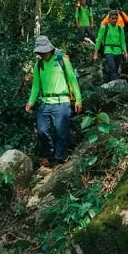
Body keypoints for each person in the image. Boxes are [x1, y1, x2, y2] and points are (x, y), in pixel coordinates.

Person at [25, 35, 82, 165]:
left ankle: (59, 158)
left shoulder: (62, 60)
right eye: (40, 51)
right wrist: (31, 101)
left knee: (61, 131)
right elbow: (36, 85)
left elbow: (72, 79)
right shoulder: (38, 65)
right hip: (45, 103)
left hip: (62, 101)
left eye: (44, 51)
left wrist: (78, 99)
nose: (42, 53)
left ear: (50, 48)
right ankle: (49, 154)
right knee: (42, 130)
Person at [93, 9, 128, 82]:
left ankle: (111, 84)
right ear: (109, 18)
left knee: (116, 69)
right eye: (112, 18)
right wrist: (95, 53)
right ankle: (116, 84)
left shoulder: (120, 29)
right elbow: (99, 40)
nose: (114, 20)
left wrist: (125, 52)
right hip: (108, 50)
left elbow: (122, 42)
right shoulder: (104, 28)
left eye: (116, 18)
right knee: (112, 67)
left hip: (118, 51)